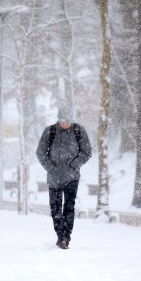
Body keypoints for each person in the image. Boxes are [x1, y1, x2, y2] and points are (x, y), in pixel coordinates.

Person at [36, 105, 92, 249]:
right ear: (58, 119)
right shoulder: (50, 131)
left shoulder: (79, 131)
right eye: (62, 120)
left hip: (72, 177)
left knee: (69, 208)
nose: (65, 123)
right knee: (55, 209)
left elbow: (87, 152)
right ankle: (60, 235)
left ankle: (65, 237)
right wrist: (50, 167)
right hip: (54, 178)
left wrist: (74, 165)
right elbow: (40, 152)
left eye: (68, 121)